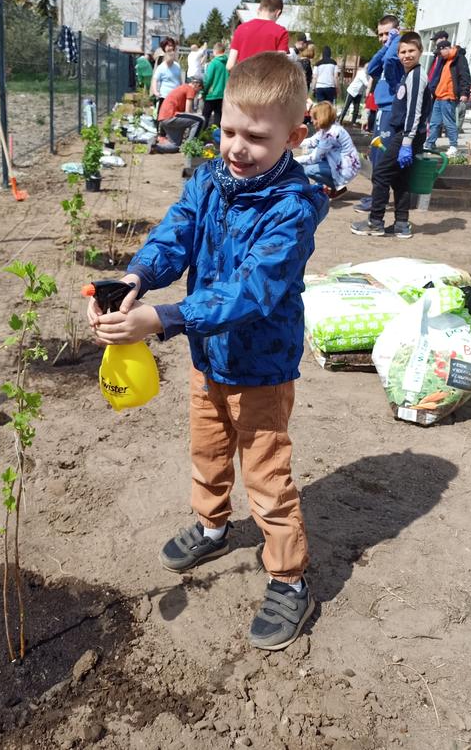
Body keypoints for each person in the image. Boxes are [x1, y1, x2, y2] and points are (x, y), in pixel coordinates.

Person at [87, 52, 328, 651]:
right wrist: (136, 281)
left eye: (256, 137)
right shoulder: (208, 181)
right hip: (209, 361)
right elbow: (175, 235)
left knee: (268, 478)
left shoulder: (291, 210)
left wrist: (162, 318)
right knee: (208, 450)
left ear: (293, 137)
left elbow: (251, 291)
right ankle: (212, 524)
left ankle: (290, 580)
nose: (237, 147)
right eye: (227, 130)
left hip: (262, 368)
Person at [351, 31, 431, 239]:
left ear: (420, 51)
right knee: (400, 178)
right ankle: (402, 224)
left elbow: (414, 111)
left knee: (381, 174)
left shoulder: (416, 76)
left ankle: (375, 222)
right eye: (402, 51)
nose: (407, 55)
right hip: (405, 134)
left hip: (405, 135)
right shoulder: (408, 74)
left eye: (411, 50)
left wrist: (407, 142)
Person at [354, 14, 404, 213]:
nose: (383, 38)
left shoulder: (398, 50)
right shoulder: (387, 49)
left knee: (383, 158)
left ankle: (378, 200)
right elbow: (372, 68)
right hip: (381, 109)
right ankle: (376, 195)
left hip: (392, 109)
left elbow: (391, 58)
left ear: (396, 31)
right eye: (380, 34)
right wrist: (385, 46)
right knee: (375, 156)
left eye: (387, 33)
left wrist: (396, 41)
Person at [298, 101, 361, 198]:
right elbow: (312, 142)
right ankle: (324, 185)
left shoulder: (331, 134)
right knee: (311, 150)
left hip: (346, 168)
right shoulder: (329, 128)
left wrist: (294, 160)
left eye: (314, 118)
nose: (312, 121)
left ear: (320, 118)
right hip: (341, 162)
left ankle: (339, 187)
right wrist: (292, 142)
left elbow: (313, 158)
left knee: (309, 170)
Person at [424, 40, 471, 157]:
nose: (439, 55)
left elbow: (465, 76)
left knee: (449, 122)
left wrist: (465, 93)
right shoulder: (444, 60)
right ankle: (430, 144)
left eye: (440, 52)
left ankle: (453, 146)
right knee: (434, 123)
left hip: (449, 97)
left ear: (445, 48)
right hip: (439, 96)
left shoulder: (459, 58)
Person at [226, 0, 288, 71]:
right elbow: (281, 65)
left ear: (258, 9)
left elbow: (230, 65)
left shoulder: (241, 29)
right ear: (278, 13)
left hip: (242, 80)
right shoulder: (281, 32)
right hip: (267, 81)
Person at [152, 77, 204, 153]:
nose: (198, 92)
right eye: (200, 89)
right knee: (200, 120)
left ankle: (155, 147)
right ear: (197, 85)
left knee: (175, 146)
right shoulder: (190, 89)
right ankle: (190, 147)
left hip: (163, 118)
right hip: (171, 115)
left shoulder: (182, 87)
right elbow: (188, 111)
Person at [201, 42, 229, 128]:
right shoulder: (228, 63)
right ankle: (216, 136)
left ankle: (202, 136)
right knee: (218, 117)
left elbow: (208, 79)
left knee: (205, 116)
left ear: (215, 51)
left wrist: (203, 91)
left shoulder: (213, 63)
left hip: (211, 94)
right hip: (223, 94)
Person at [150, 38, 182, 109]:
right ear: (164, 47)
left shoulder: (176, 63)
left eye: (172, 45)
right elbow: (156, 77)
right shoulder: (161, 57)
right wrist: (155, 91)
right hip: (162, 93)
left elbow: (179, 78)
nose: (170, 47)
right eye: (168, 45)